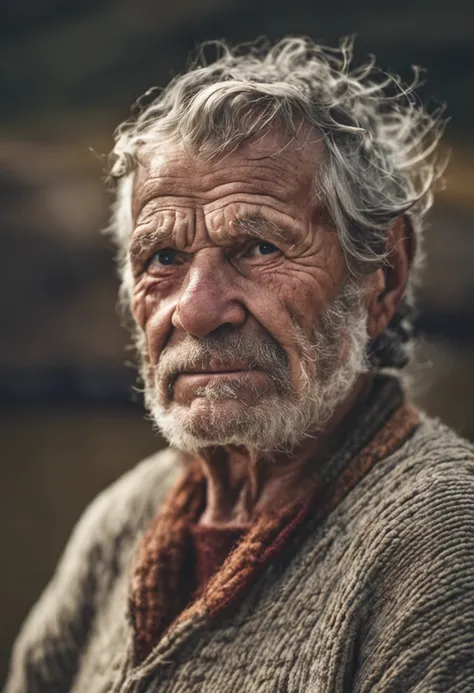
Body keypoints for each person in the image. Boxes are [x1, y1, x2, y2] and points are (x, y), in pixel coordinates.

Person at [5, 37, 474, 693]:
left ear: (383, 276)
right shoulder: (123, 521)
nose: (196, 310)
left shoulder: (443, 544)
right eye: (162, 258)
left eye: (258, 245)